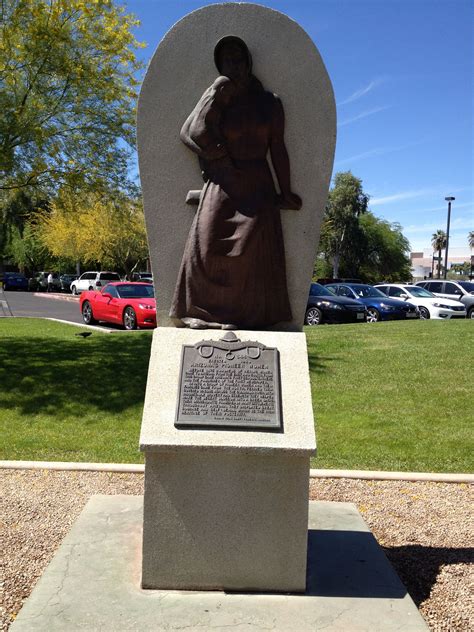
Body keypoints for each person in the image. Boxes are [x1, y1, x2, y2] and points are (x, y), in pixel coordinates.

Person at [170, 36, 301, 330]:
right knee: (205, 244)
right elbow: (186, 132)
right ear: (221, 66)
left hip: (257, 183)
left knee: (251, 253)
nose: (234, 64)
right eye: (227, 60)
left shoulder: (270, 102)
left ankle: (245, 317)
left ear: (248, 61)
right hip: (223, 181)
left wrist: (285, 190)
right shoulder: (217, 96)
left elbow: (278, 148)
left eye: (238, 57)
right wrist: (212, 154)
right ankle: (201, 312)